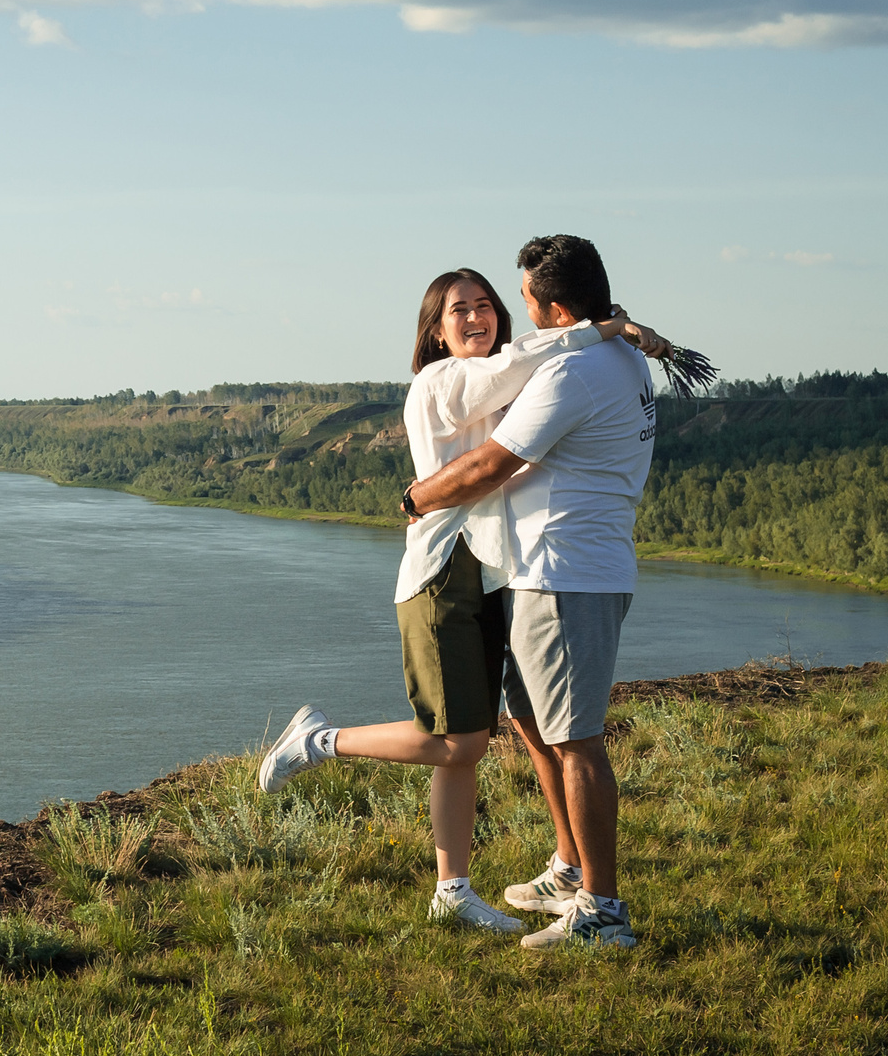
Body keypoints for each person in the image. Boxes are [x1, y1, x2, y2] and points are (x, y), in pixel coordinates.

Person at [256, 265, 660, 935]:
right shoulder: (443, 380)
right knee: (459, 740)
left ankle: (455, 890)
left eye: (485, 306)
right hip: (443, 572)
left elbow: (544, 377)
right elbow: (530, 363)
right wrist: (609, 327)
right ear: (435, 332)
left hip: (493, 572)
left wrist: (611, 334)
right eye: (458, 312)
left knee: (471, 740)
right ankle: (320, 740)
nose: (476, 318)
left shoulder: (506, 369)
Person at [387, 235, 666, 951]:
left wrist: (418, 497)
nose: (520, 318)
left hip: (564, 571)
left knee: (576, 740)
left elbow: (490, 461)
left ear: (558, 307)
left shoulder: (572, 371)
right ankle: (571, 867)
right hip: (556, 567)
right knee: (536, 720)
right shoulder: (622, 358)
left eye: (523, 304)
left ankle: (601, 911)